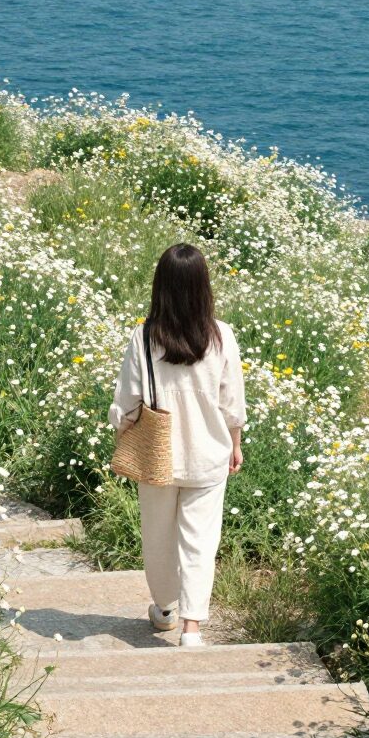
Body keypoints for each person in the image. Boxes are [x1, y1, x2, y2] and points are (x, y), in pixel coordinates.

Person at [108, 243, 245, 648]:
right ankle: (192, 629)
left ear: (161, 287)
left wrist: (121, 431)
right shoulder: (221, 336)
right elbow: (231, 403)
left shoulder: (145, 336)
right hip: (208, 453)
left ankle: (165, 609)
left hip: (157, 457)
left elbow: (127, 403)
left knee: (158, 536)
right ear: (204, 286)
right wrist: (235, 444)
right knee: (200, 540)